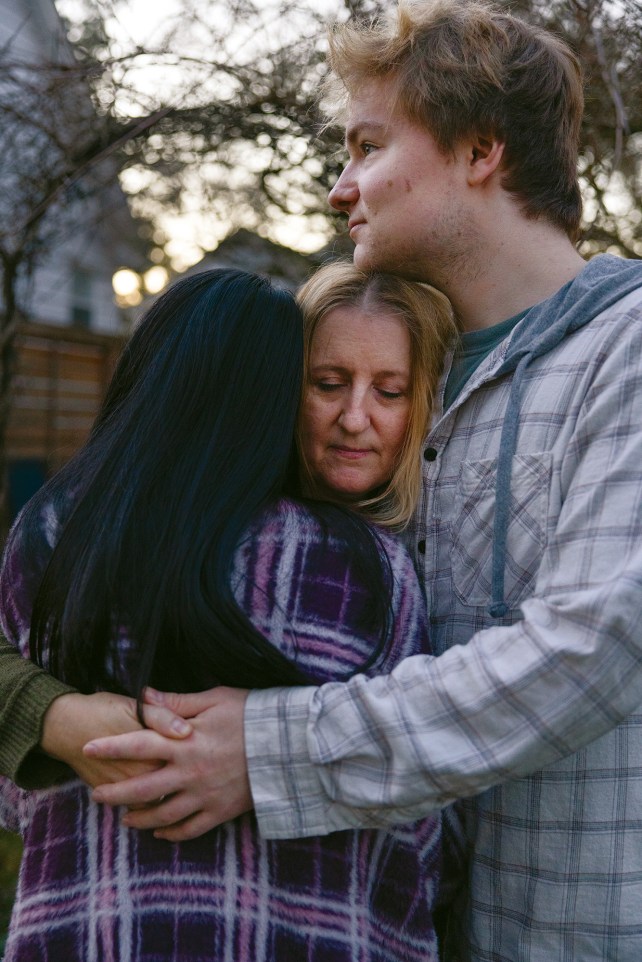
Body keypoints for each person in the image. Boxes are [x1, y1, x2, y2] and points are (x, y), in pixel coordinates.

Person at [80, 2, 642, 960]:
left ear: (479, 149)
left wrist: (271, 750)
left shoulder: (622, 351)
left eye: (367, 147)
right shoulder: (391, 383)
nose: (342, 189)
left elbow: (592, 647)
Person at [0, 264, 454, 962]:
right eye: (325, 383)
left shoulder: (53, 530)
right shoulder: (367, 567)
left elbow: (12, 792)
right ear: (277, 397)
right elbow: (423, 825)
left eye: (388, 391)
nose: (353, 416)